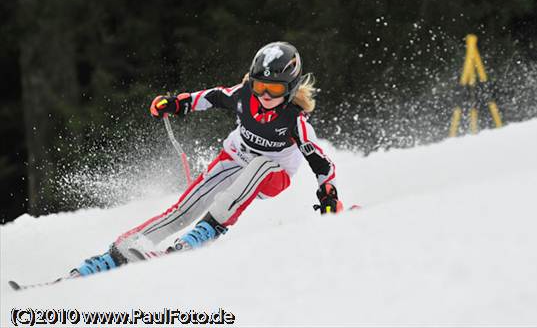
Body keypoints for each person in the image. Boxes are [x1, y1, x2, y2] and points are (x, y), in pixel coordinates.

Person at [73, 41, 342, 276]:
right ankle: (115, 254)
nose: (265, 96)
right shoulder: (243, 96)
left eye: (274, 89)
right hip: (235, 159)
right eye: (260, 86)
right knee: (181, 210)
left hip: (272, 176)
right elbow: (212, 97)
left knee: (262, 164)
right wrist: (178, 103)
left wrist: (328, 194)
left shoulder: (295, 121)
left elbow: (320, 162)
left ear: (291, 88)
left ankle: (207, 230)